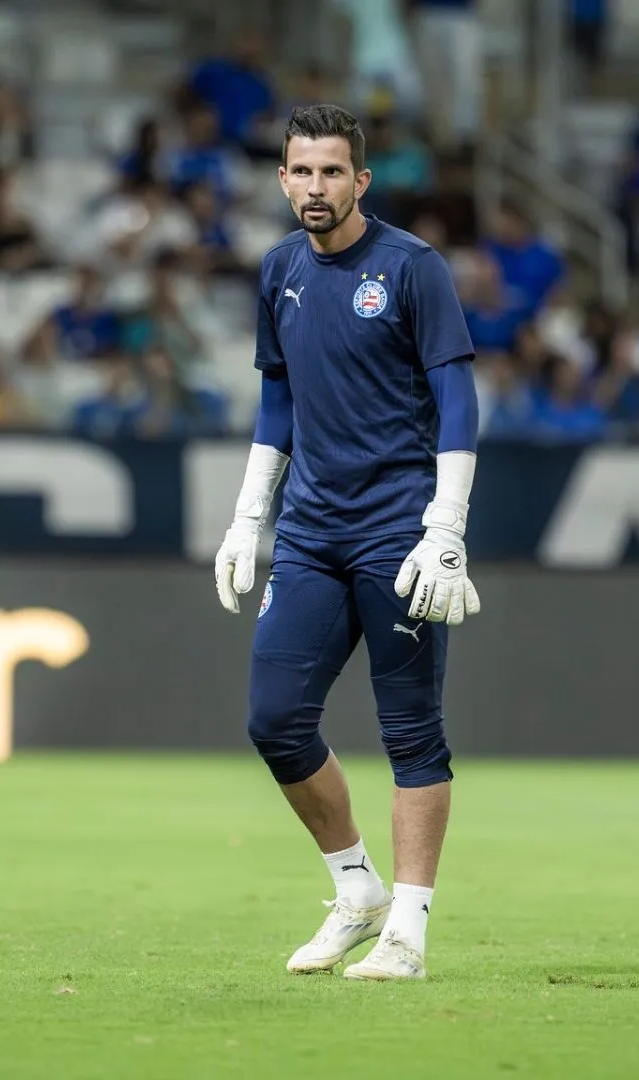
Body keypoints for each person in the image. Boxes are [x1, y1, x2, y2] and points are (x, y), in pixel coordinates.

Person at [211, 104, 480, 982]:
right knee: (274, 720)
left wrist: (447, 527)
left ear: (361, 180)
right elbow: (277, 401)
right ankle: (355, 887)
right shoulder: (280, 268)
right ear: (282, 178)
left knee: (410, 731)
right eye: (301, 172)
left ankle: (408, 928)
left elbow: (459, 402)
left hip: (399, 530)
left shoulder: (412, 268)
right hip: (313, 531)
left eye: (333, 173)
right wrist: (250, 516)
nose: (315, 188)